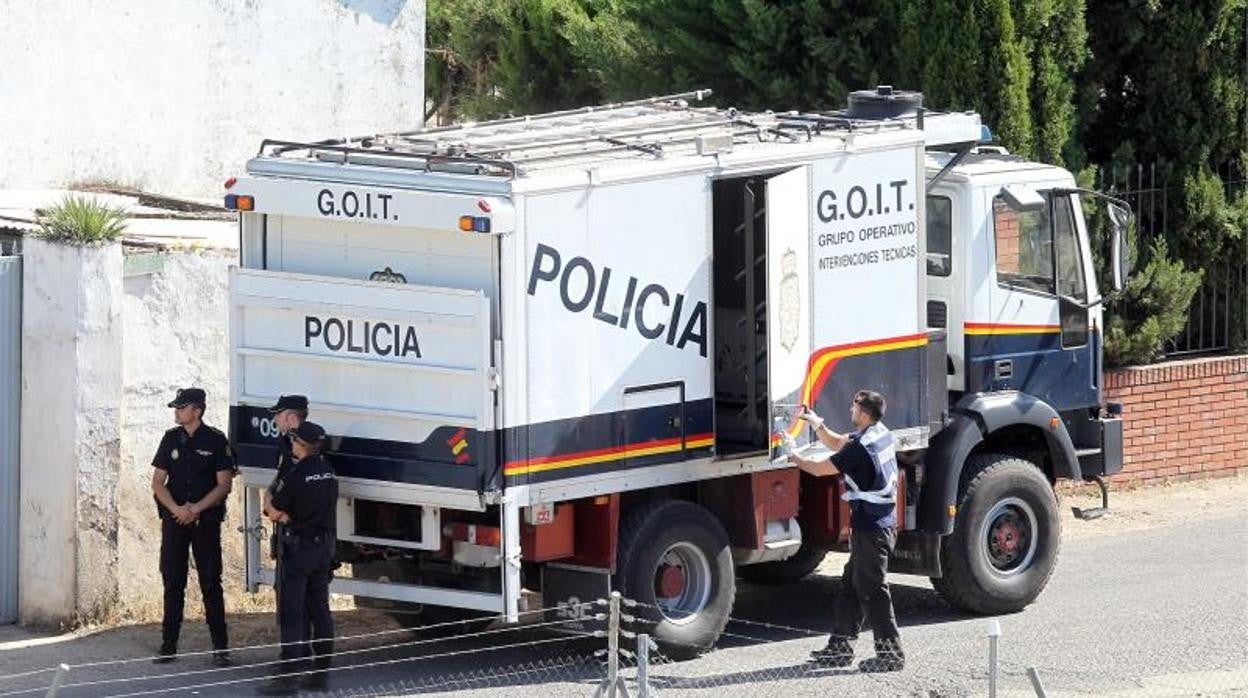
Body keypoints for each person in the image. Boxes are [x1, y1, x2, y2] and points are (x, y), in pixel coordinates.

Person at [787, 390, 905, 672]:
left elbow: (819, 469)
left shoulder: (861, 447)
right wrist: (817, 424)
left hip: (872, 528)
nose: (850, 409)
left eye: (854, 406)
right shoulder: (880, 434)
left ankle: (891, 655)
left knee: (873, 590)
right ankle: (840, 648)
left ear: (863, 413)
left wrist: (792, 456)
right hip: (878, 524)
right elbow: (839, 442)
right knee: (851, 585)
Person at [150, 387, 236, 666]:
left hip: (205, 522)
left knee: (210, 582)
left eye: (181, 407)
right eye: (176, 407)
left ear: (197, 411)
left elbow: (224, 485)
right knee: (173, 581)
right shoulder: (170, 438)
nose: (176, 412)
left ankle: (220, 647)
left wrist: (195, 509)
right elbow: (157, 483)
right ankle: (168, 645)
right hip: (175, 521)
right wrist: (177, 510)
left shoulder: (215, 440)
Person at [257, 421, 338, 695]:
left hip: (299, 549)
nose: (291, 444)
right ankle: (321, 674)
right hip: (323, 548)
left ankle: (288, 679)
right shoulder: (329, 471)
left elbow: (273, 510)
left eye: (294, 440)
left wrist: (270, 498)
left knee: (292, 612)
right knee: (320, 609)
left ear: (301, 445)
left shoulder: (297, 474)